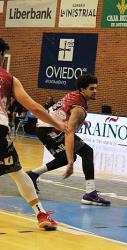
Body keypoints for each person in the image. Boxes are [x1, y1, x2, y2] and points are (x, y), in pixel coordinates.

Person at [0, 38, 66, 230]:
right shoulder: (9, 79)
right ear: (2, 56)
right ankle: (41, 214)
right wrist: (57, 123)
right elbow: (35, 108)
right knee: (16, 172)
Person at [26, 74, 111, 206]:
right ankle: (90, 194)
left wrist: (81, 121)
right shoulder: (78, 109)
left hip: (49, 126)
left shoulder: (76, 96)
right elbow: (69, 133)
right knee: (72, 156)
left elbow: (63, 111)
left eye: (96, 88)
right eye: (92, 88)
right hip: (48, 129)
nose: (95, 91)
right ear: (82, 90)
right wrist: (71, 163)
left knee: (85, 152)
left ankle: (33, 174)